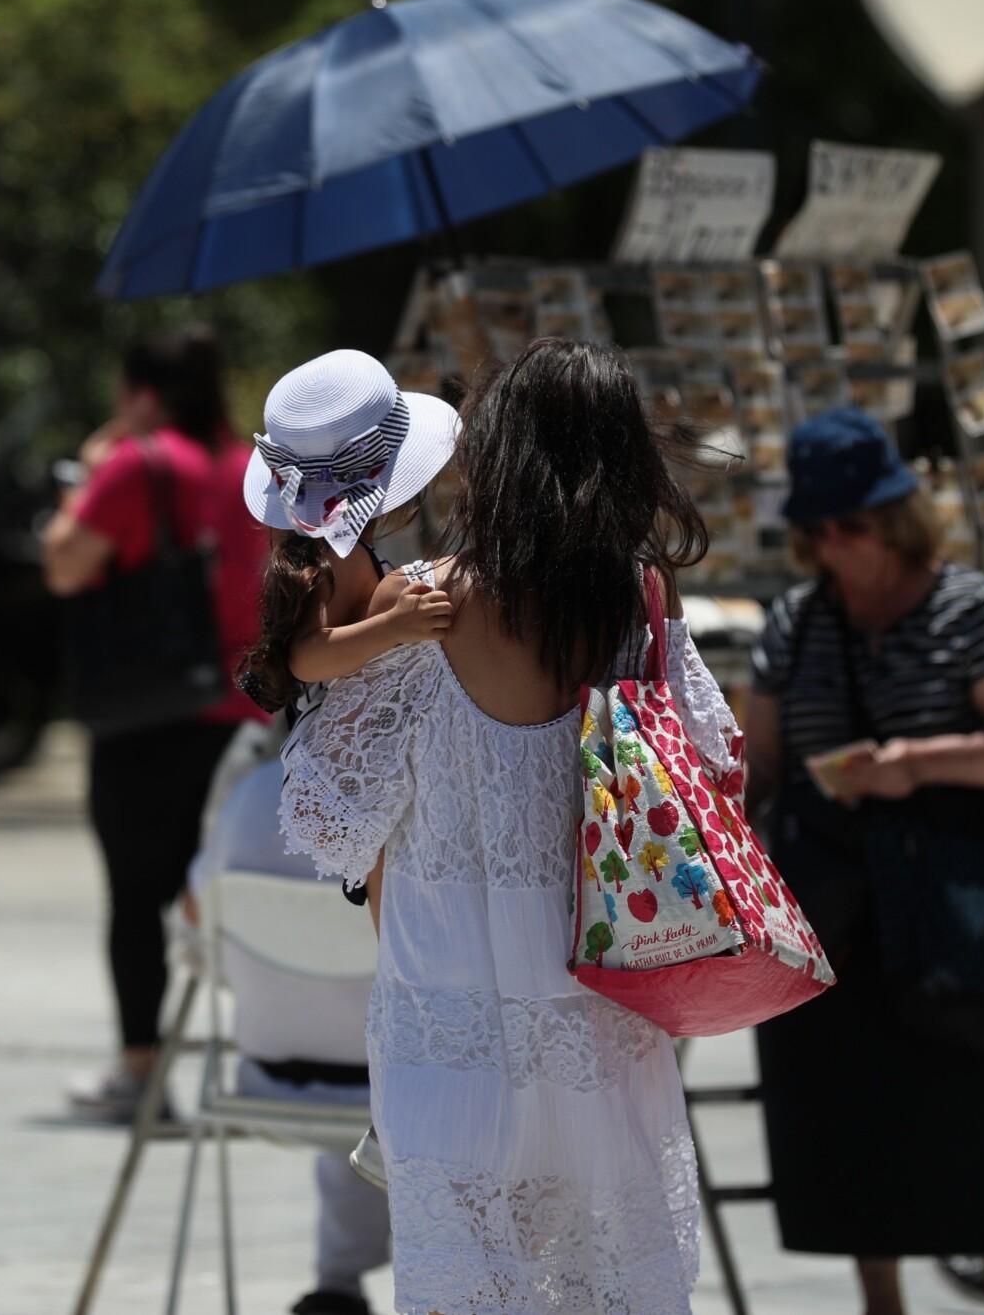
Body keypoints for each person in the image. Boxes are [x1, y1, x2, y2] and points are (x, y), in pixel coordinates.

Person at [280, 337, 742, 1315]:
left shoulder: (425, 604)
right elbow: (715, 769)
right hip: (599, 1001)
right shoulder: (642, 602)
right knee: (601, 1278)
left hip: (446, 1014)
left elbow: (331, 816)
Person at [746, 408, 984, 1315]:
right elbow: (762, 764)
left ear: (897, 513)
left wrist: (918, 763)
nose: (838, 543)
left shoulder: (969, 606)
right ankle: (879, 1298)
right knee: (848, 1119)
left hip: (958, 897)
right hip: (839, 911)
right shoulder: (795, 625)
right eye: (821, 528)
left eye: (855, 521)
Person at [41, 326, 270, 1122]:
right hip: (242, 713)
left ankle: (140, 1073)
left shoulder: (137, 465)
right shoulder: (254, 468)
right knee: (222, 892)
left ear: (141, 392)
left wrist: (92, 468)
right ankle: (265, 1057)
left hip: (148, 715)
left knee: (136, 899)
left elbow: (65, 562)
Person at [184, 744, 394, 1315]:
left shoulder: (249, 792)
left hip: (266, 1078)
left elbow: (198, 930)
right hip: (398, 1091)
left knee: (360, 1031)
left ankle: (336, 1282)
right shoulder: (409, 786)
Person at [233, 349, 461, 726]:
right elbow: (305, 658)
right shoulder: (341, 554)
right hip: (338, 757)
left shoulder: (340, 550)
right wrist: (393, 627)